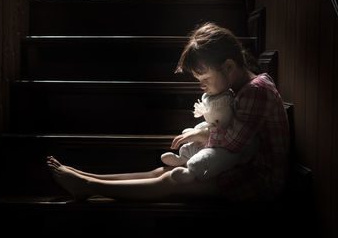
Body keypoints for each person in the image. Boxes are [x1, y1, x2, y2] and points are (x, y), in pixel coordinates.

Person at [47, 22, 290, 202]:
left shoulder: (255, 91)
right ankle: (90, 178)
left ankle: (89, 185)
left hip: (258, 180)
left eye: (204, 78)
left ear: (228, 66)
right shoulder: (239, 88)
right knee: (163, 170)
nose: (201, 86)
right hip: (238, 164)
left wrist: (198, 136)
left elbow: (233, 143)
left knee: (173, 179)